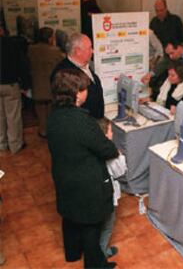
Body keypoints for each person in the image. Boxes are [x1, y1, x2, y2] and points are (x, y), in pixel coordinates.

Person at [47, 69, 118, 268]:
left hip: (63, 176)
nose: (87, 92)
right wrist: (109, 141)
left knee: (69, 217)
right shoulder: (82, 121)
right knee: (91, 226)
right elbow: (107, 150)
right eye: (85, 88)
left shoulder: (53, 116)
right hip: (86, 183)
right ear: (77, 93)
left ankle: (72, 254)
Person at [52, 33, 105, 119]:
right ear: (78, 51)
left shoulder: (87, 65)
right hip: (83, 124)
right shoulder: (63, 73)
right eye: (89, 48)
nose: (93, 51)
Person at [97, 117, 127, 259]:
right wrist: (120, 156)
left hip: (93, 191)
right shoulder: (110, 151)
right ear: (105, 134)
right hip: (107, 191)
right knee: (108, 225)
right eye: (110, 131)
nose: (112, 134)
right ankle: (102, 252)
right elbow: (120, 171)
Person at [28, 27, 64, 137]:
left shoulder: (30, 49)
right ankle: (52, 130)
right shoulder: (56, 51)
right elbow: (61, 65)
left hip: (36, 85)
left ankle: (43, 131)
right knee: (51, 110)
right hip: (51, 85)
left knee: (40, 110)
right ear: (49, 38)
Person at [0, 25, 30, 154]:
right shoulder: (11, 44)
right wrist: (25, 85)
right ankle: (15, 145)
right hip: (11, 84)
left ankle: (1, 144)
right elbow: (22, 65)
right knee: (13, 116)